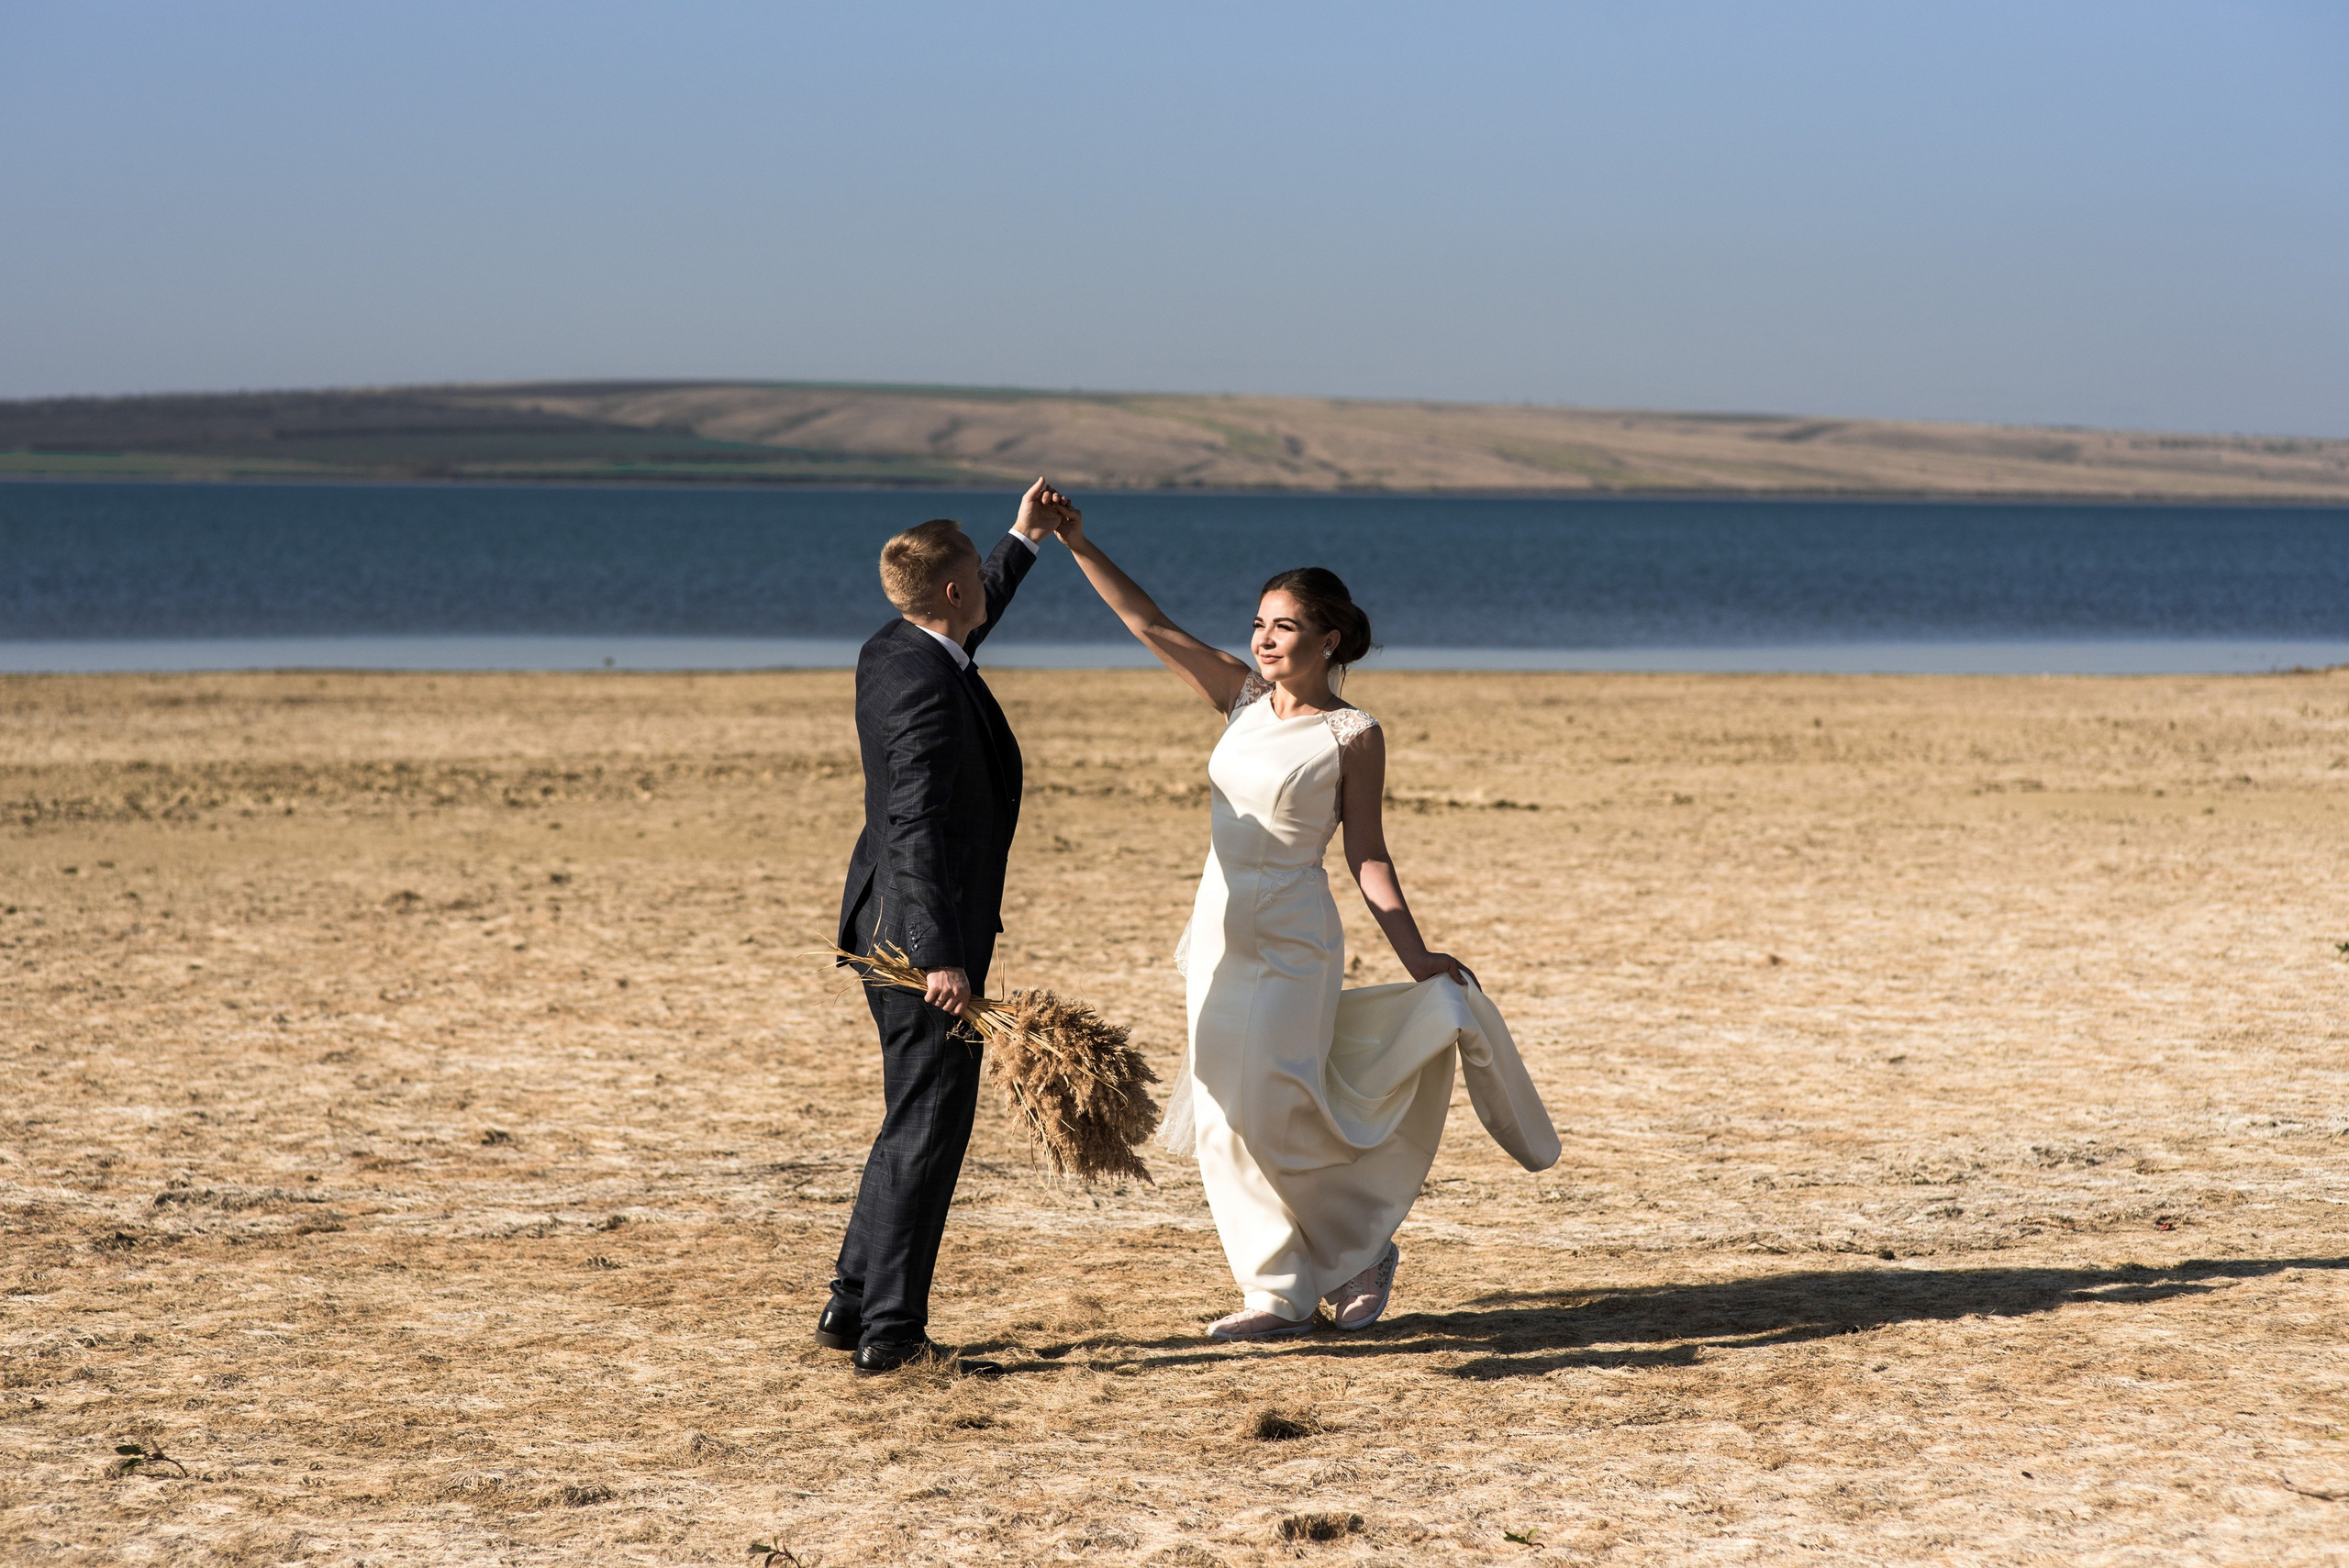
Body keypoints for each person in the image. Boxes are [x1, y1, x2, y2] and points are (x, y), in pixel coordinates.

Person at [1054, 498, 1560, 1340]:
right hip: (1216, 934)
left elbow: (1367, 854)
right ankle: (1277, 1291)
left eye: (1284, 627)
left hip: (1293, 941)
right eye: (1259, 623)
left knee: (1276, 1109)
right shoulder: (1241, 699)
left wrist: (1415, 951)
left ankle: (1359, 1250)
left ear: (1329, 640)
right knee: (1220, 1115)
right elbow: (1150, 624)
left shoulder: (1354, 733)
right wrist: (1076, 542)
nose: (1264, 639)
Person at [819, 478, 1071, 1375]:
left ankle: (851, 1305)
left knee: (909, 1117)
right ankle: (891, 1336)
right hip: (914, 942)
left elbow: (971, 615)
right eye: (975, 579)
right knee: (928, 1127)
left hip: (882, 922)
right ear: (953, 594)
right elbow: (917, 825)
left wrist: (1022, 536)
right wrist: (943, 959)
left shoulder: (897, 646)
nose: (980, 597)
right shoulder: (927, 688)